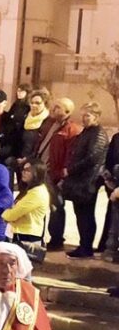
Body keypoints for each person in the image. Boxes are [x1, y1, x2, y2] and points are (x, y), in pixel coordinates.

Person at [60, 102, 108, 259]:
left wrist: (71, 170)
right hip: (79, 181)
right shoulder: (87, 132)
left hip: (88, 182)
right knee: (80, 214)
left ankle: (86, 247)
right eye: (83, 115)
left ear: (96, 116)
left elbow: (92, 158)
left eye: (87, 115)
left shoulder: (98, 134)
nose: (84, 119)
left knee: (86, 215)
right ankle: (83, 245)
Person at [34, 97, 81, 251]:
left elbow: (70, 155)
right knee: (36, 204)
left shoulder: (72, 130)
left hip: (54, 173)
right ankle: (36, 236)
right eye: (54, 107)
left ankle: (56, 239)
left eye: (58, 108)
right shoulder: (48, 123)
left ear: (67, 112)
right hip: (40, 169)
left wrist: (62, 175)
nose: (54, 109)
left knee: (56, 206)